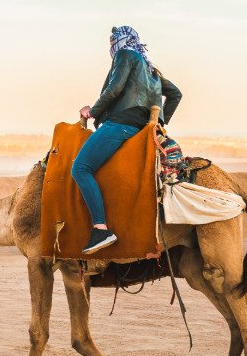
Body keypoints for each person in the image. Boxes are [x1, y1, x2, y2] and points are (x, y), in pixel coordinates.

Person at [73, 25, 182, 255]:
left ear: (119, 42)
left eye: (112, 42)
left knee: (81, 168)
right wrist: (160, 123)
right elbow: (175, 94)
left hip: (120, 124)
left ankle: (101, 229)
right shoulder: (152, 70)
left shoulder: (126, 55)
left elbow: (114, 89)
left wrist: (91, 111)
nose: (112, 47)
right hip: (142, 129)